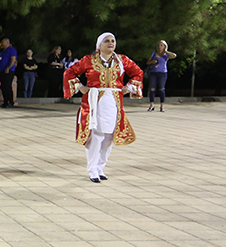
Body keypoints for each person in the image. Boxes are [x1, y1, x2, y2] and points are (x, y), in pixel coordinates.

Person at [63, 32, 143, 183]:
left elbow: (138, 73)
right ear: (99, 45)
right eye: (107, 41)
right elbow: (70, 72)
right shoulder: (89, 60)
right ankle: (92, 169)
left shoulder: (122, 60)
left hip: (114, 102)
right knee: (97, 135)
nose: (110, 43)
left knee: (109, 136)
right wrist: (80, 87)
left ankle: (100, 167)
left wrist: (128, 88)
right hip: (95, 102)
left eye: (113, 40)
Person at [146, 40, 176, 112]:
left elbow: (174, 55)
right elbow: (147, 62)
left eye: (162, 45)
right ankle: (151, 105)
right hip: (154, 73)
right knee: (152, 89)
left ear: (165, 46)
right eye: (159, 45)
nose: (160, 47)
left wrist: (166, 51)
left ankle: (162, 106)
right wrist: (152, 62)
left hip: (162, 73)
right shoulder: (154, 54)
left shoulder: (166, 55)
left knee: (161, 89)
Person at [0, 38, 17, 108]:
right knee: (2, 86)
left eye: (3, 43)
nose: (2, 44)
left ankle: (10, 102)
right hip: (2, 71)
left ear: (7, 43)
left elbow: (13, 60)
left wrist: (8, 67)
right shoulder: (3, 52)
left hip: (9, 70)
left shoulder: (12, 50)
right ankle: (5, 102)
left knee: (7, 86)